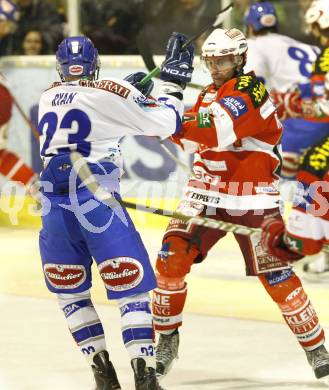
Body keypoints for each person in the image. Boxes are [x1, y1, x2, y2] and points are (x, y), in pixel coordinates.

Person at [151, 27, 329, 382]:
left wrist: (171, 104)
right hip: (204, 195)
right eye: (212, 62)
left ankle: (315, 346)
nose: (217, 68)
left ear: (241, 58)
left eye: (225, 60)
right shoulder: (206, 94)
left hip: (253, 198)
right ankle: (167, 336)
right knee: (170, 261)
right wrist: (151, 104)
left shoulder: (252, 89)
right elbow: (187, 139)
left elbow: (215, 129)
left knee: (277, 276)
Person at [37, 34, 194, 389]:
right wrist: (172, 83)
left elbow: (93, 101)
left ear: (59, 68)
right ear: (96, 64)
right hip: (98, 205)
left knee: (71, 293)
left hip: (53, 207)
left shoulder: (47, 95)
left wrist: (129, 91)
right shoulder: (108, 92)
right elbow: (167, 123)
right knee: (131, 291)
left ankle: (102, 373)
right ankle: (144, 375)